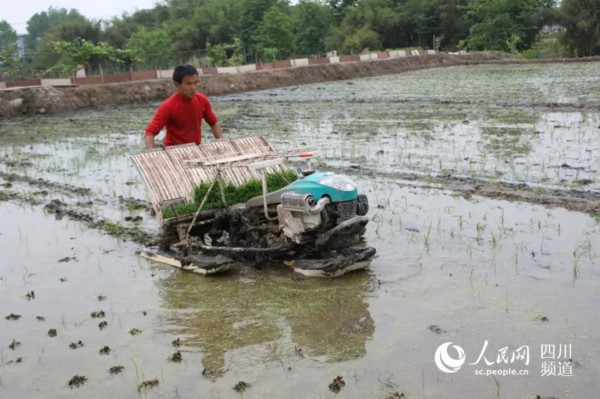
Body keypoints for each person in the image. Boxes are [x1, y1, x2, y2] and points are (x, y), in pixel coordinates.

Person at [145, 64, 223, 149]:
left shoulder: (202, 100)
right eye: (188, 84)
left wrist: (221, 144)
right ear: (177, 84)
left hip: (195, 148)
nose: (193, 87)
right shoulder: (168, 106)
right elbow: (150, 132)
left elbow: (213, 123)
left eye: (195, 83)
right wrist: (150, 152)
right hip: (173, 151)